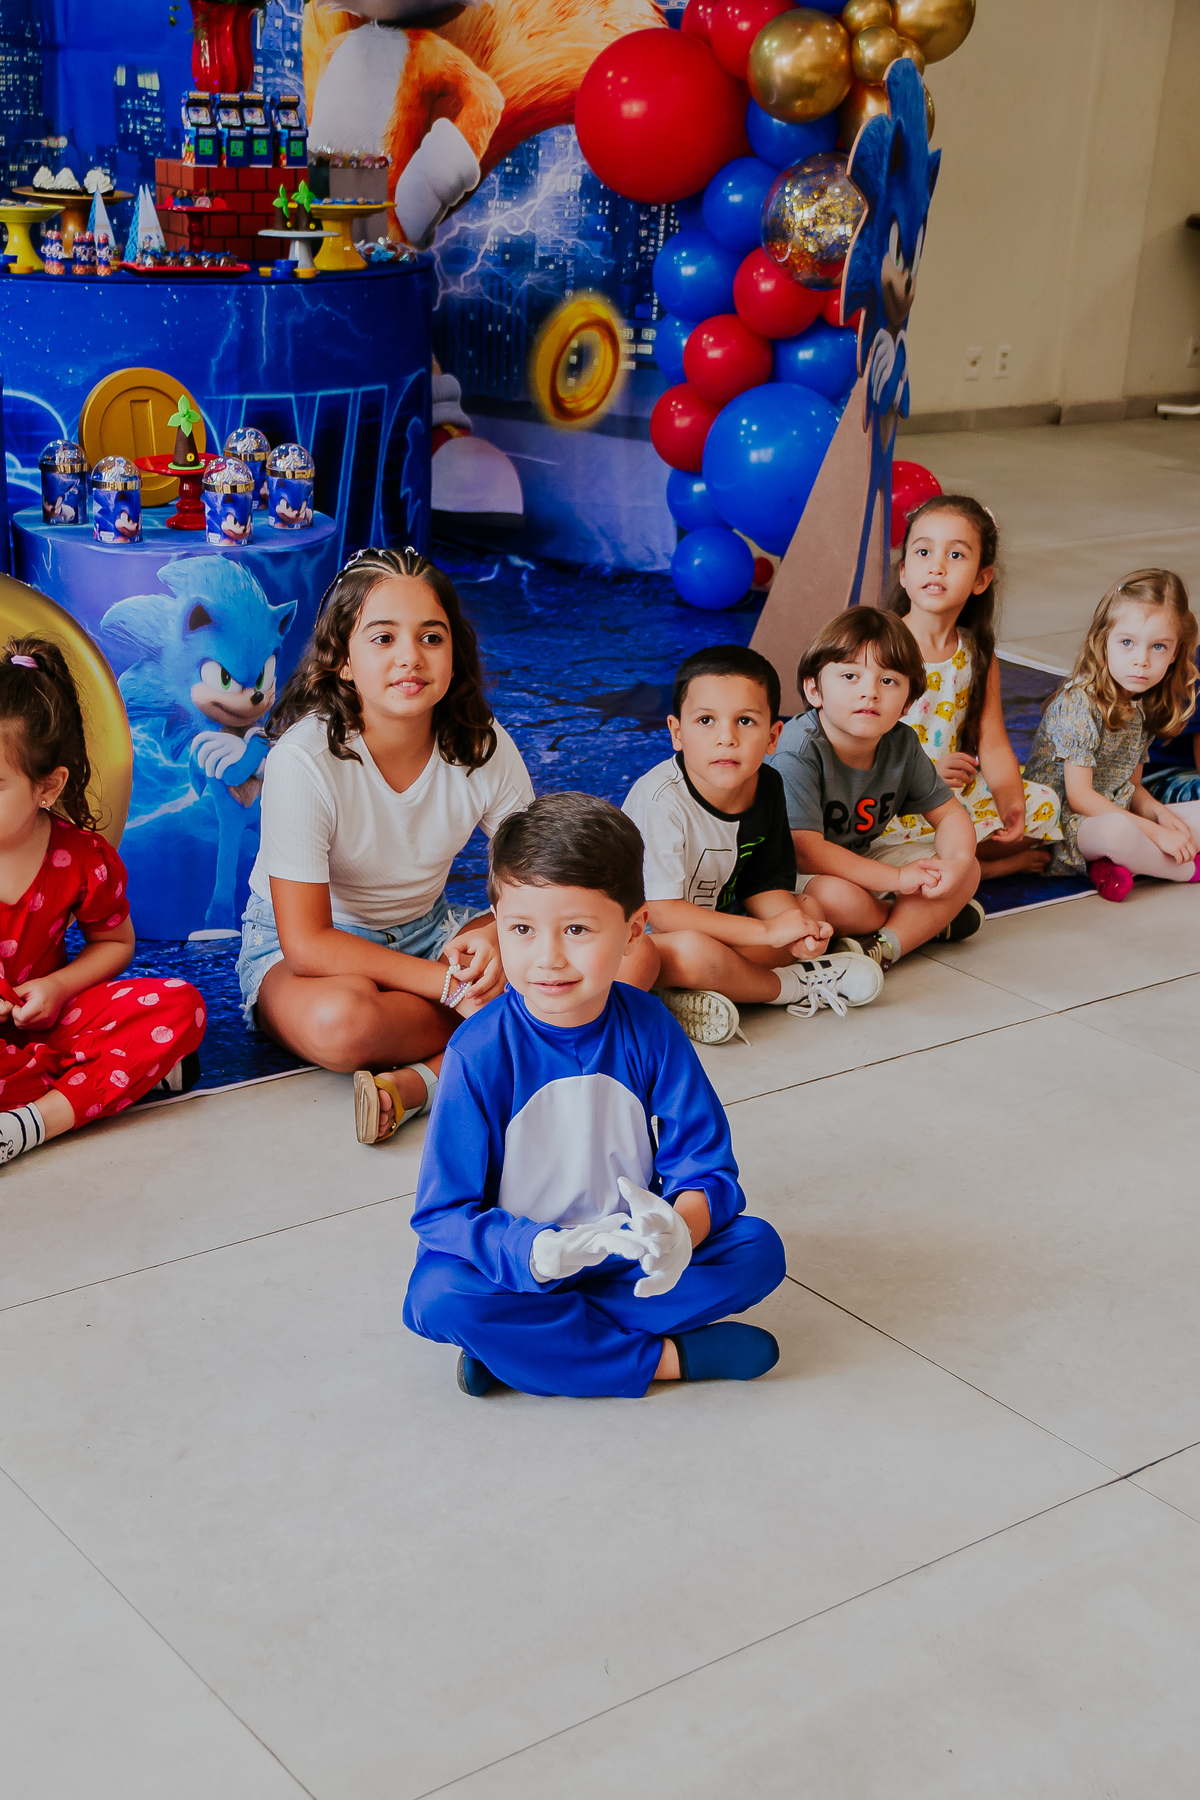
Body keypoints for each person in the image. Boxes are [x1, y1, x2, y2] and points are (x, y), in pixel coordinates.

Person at [403, 792, 787, 1399]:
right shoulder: (478, 1051)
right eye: (522, 930)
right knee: (440, 1298)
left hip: (626, 1255)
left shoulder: (651, 1028)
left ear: (633, 931)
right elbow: (442, 1214)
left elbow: (708, 1167)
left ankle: (523, 1351)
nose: (548, 958)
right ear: (497, 924)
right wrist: (535, 1251)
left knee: (757, 1250)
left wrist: (678, 1229)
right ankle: (666, 1360)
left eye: (577, 930)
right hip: (523, 1267)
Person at [236, 547, 535, 1144]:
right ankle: (517, 1028)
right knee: (342, 1023)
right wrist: (450, 987)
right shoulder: (304, 758)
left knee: (616, 952)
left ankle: (425, 1080)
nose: (410, 657)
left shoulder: (481, 743)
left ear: (454, 653)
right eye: (382, 638)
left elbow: (540, 876)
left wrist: (492, 933)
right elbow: (307, 943)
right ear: (343, 661)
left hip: (430, 932)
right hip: (309, 956)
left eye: (431, 637)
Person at [0, 637, 206, 1166]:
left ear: (48, 787)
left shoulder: (81, 857)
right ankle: (111, 1078)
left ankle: (30, 1122)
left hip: (48, 1021)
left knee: (180, 1005)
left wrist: (55, 987)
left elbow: (113, 944)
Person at [620, 645, 882, 1047]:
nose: (726, 738)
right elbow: (665, 914)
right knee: (691, 951)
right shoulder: (661, 801)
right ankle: (789, 987)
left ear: (773, 736)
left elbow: (763, 883)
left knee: (806, 911)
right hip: (652, 940)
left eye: (745, 721)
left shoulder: (767, 785)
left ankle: (695, 991)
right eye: (705, 720)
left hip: (722, 928)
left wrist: (792, 929)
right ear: (676, 732)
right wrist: (766, 931)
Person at [766, 607, 982, 971]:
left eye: (889, 681)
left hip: (863, 861)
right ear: (814, 689)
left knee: (968, 868)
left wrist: (956, 864)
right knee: (837, 899)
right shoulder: (798, 749)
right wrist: (897, 880)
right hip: (796, 874)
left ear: (908, 703)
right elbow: (806, 851)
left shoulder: (901, 744)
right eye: (850, 676)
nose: (870, 692)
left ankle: (883, 948)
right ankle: (920, 922)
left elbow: (949, 816)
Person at [881, 494, 1062, 878]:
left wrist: (1012, 804)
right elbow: (854, 740)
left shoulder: (974, 652)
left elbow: (992, 742)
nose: (937, 567)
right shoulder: (880, 646)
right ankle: (983, 867)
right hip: (889, 794)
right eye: (924, 552)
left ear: (981, 579)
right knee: (878, 834)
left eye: (956, 555)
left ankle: (957, 861)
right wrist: (925, 773)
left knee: (1045, 803)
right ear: (903, 572)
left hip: (950, 797)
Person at [1023, 568, 1200, 900]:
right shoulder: (1078, 703)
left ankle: (1113, 865)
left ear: (1175, 652)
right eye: (1127, 643)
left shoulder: (1142, 704)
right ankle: (1187, 869)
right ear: (1104, 641)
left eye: (1158, 647)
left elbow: (1132, 787)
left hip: (1118, 810)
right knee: (1118, 833)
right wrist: (1156, 833)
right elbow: (1080, 798)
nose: (1141, 661)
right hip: (1065, 826)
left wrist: (1160, 815)